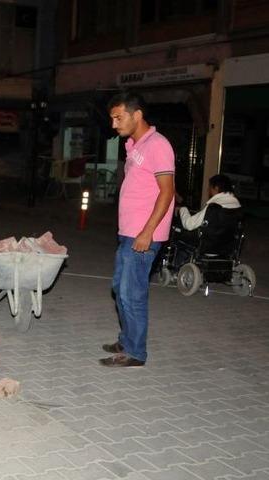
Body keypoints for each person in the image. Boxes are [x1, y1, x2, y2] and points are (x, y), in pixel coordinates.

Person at [101, 92, 175, 368]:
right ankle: (126, 338)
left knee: (132, 293)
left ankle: (135, 352)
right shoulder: (134, 145)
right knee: (120, 289)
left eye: (119, 118)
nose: (114, 124)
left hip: (143, 234)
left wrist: (147, 232)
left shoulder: (158, 145)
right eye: (112, 118)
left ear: (137, 115)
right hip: (128, 232)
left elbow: (167, 193)